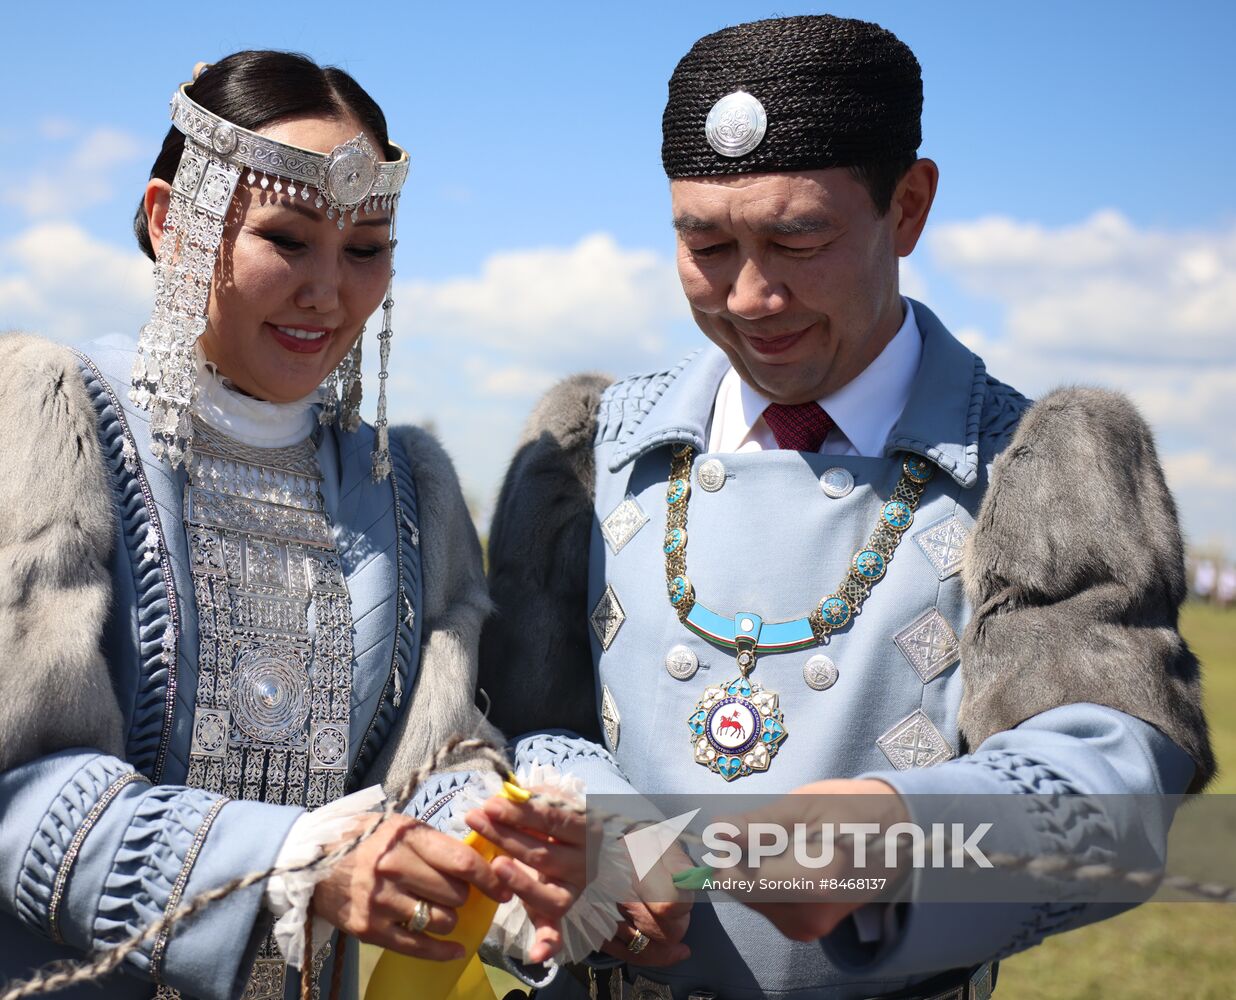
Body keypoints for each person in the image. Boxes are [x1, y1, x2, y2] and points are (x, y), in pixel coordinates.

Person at [479, 14, 1214, 1000]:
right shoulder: (588, 451)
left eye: (797, 238)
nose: (750, 296)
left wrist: (905, 830)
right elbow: (511, 728)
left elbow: (1116, 775)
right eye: (706, 244)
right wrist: (589, 833)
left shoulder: (1037, 466)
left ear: (907, 207)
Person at [0, 51, 581, 1000]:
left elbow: (431, 756)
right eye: (288, 239)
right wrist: (285, 865)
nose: (329, 292)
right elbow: (19, 780)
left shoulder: (408, 485)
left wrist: (500, 853)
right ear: (168, 221)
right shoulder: (48, 416)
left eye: (365, 251)